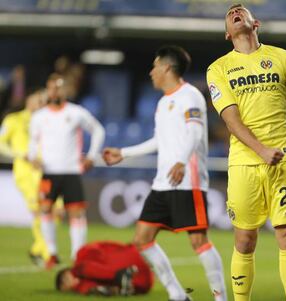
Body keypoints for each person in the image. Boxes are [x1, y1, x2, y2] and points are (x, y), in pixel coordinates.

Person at [206, 4, 286, 301]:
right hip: (244, 163)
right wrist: (261, 150)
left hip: (283, 159)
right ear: (227, 34)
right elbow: (231, 120)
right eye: (229, 13)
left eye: (242, 10)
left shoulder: (285, 59)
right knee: (244, 240)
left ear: (256, 23)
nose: (235, 11)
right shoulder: (218, 69)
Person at [103, 45, 227, 301]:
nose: (151, 72)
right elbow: (159, 140)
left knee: (198, 241)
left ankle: (220, 298)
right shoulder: (163, 102)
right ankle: (177, 294)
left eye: (155, 66)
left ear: (167, 68)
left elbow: (194, 132)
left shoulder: (190, 95)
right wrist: (124, 153)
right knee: (142, 238)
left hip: (188, 180)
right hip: (163, 182)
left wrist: (181, 162)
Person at [28, 73, 105, 268]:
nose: (55, 91)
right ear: (47, 90)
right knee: (45, 210)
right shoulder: (39, 117)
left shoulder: (76, 112)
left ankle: (77, 255)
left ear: (65, 90)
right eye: (51, 87)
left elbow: (98, 130)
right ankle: (51, 253)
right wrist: (32, 158)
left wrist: (91, 156)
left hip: (71, 170)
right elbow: (32, 142)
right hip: (48, 171)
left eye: (59, 87)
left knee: (76, 213)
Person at [0, 89, 65, 266]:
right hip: (25, 173)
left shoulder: (46, 122)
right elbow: (1, 143)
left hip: (45, 171)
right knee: (39, 210)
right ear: (29, 101)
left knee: (56, 211)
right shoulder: (13, 120)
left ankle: (37, 249)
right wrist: (20, 154)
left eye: (43, 101)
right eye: (38, 100)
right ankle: (47, 254)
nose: (40, 103)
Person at [55, 241, 154, 296]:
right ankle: (118, 282)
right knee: (85, 285)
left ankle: (119, 277)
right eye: (69, 288)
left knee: (82, 271)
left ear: (67, 271)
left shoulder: (80, 261)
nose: (69, 283)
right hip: (142, 282)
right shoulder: (83, 283)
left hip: (134, 267)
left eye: (65, 279)